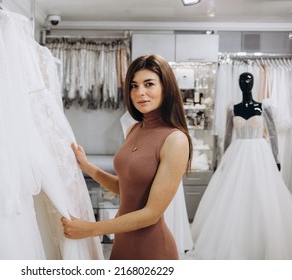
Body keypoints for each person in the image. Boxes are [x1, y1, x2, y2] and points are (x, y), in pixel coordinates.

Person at [61, 54, 193, 260]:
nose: (140, 92)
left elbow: (152, 213)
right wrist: (87, 166)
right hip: (122, 242)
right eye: (134, 85)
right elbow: (125, 187)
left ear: (165, 88)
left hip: (152, 249)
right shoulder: (134, 129)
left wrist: (91, 229)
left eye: (149, 84)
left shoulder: (175, 139)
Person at [191, 72, 292, 259]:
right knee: (233, 194)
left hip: (259, 153)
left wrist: (276, 158)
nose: (245, 84)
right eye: (242, 81)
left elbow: (272, 134)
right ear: (238, 84)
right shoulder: (233, 108)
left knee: (261, 193)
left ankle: (261, 238)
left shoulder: (264, 106)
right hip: (237, 153)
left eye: (248, 81)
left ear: (253, 84)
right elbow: (228, 136)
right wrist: (224, 159)